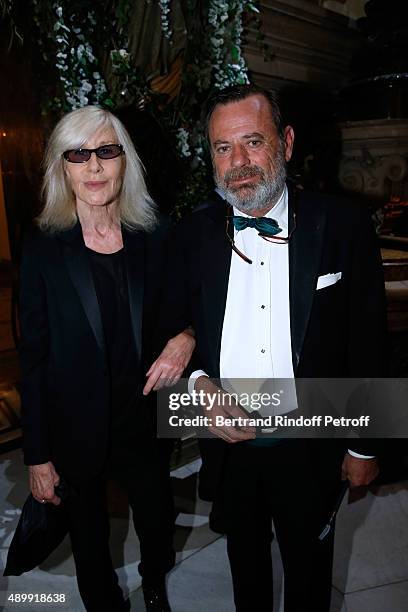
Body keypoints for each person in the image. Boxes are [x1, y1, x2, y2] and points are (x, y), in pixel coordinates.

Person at [159, 84, 387, 611]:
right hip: (231, 449)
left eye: (252, 142)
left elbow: (369, 344)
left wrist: (364, 447)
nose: (238, 162)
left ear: (285, 142)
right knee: (246, 572)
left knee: (310, 576)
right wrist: (199, 387)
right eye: (222, 148)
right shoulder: (192, 234)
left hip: (313, 443)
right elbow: (171, 326)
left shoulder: (344, 226)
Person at [18, 105, 195, 612]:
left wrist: (185, 337)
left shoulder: (155, 236)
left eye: (106, 151)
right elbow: (33, 358)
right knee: (89, 538)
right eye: (78, 154)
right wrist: (37, 455)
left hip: (143, 420)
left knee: (158, 521)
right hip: (74, 428)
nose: (93, 167)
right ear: (63, 168)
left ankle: (156, 581)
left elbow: (185, 311)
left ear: (125, 162)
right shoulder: (43, 249)